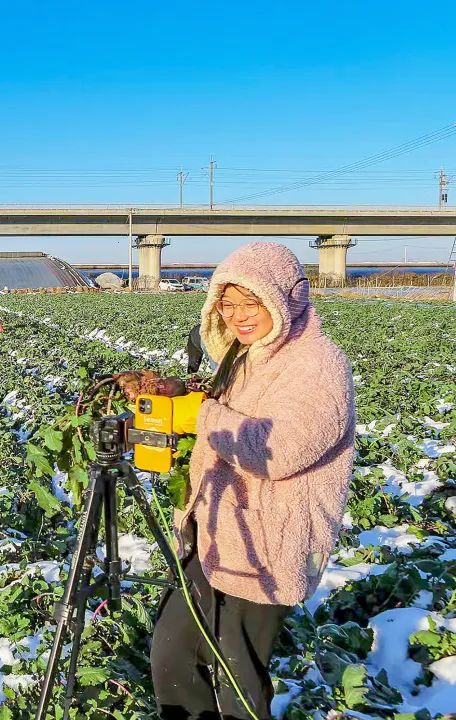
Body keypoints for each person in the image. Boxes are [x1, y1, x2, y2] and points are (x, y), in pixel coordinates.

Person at [149, 242, 355, 720]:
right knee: (172, 654)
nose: (238, 315)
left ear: (286, 298)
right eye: (228, 303)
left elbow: (278, 449)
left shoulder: (318, 364)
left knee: (237, 677)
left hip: (267, 541)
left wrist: (202, 416)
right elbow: (233, 408)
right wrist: (186, 394)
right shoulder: (246, 354)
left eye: (252, 302)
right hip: (213, 530)